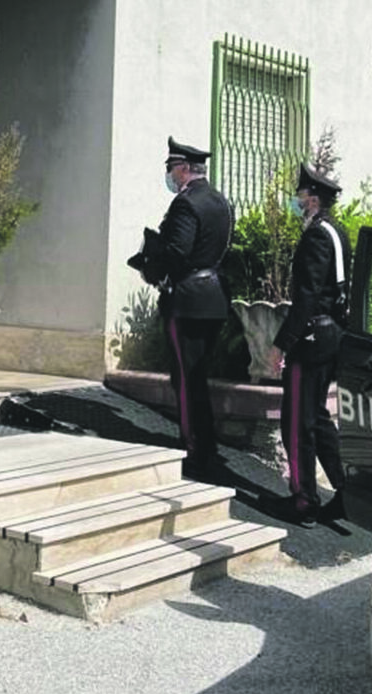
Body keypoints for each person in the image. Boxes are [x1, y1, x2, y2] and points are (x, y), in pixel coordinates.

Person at [132, 136, 233, 478]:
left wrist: (153, 270)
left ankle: (194, 448)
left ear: (186, 168)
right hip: (214, 298)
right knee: (198, 376)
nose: (170, 174)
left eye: (172, 167)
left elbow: (178, 251)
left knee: (187, 379)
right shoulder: (220, 200)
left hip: (188, 299)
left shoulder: (186, 203)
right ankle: (205, 443)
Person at [266, 163, 352, 527]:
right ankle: (346, 492)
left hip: (312, 337)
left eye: (300, 194)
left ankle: (304, 501)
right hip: (332, 335)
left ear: (312, 198)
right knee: (318, 417)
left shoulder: (316, 235)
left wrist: (281, 344)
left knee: (297, 422)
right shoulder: (337, 230)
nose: (296, 200)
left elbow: (307, 297)